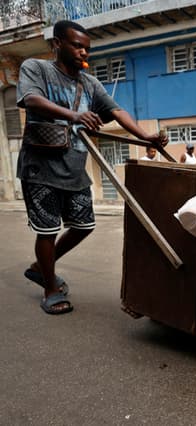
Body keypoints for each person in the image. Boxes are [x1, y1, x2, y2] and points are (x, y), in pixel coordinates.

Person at [17, 20, 168, 314]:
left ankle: (40, 267)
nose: (82, 51)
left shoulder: (90, 83)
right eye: (76, 45)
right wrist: (74, 116)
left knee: (84, 225)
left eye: (86, 47)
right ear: (57, 44)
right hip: (40, 166)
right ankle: (50, 287)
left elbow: (116, 110)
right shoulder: (36, 68)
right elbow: (31, 99)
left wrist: (145, 136)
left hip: (74, 166)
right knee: (46, 231)